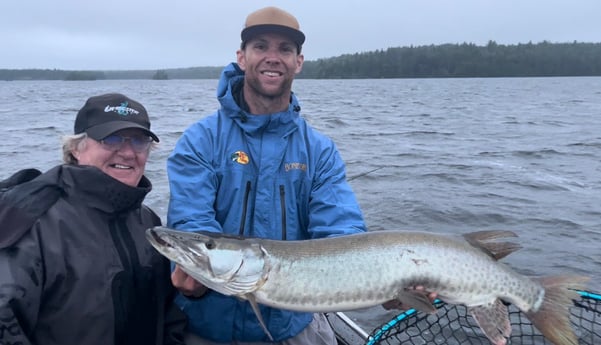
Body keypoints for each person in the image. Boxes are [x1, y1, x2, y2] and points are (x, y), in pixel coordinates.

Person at [166, 6, 367, 345]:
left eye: (285, 49)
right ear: (242, 57)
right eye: (261, 46)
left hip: (292, 325)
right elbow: (192, 222)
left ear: (298, 62)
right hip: (208, 328)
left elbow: (341, 229)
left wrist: (392, 282)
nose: (272, 57)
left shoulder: (319, 150)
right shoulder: (200, 141)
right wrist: (197, 272)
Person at [0, 93, 186, 345]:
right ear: (76, 147)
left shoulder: (148, 221)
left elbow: (168, 313)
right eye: (112, 139)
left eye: (139, 141)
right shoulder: (33, 221)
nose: (128, 153)